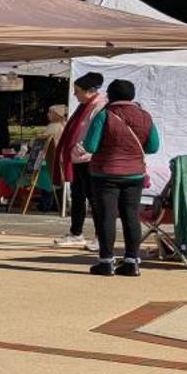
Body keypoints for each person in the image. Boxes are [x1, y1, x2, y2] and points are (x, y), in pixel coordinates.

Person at [81, 78, 160, 277]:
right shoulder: (145, 116)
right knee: (131, 216)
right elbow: (153, 147)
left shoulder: (105, 115)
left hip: (105, 173)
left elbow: (90, 146)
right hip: (134, 174)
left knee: (107, 216)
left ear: (110, 95)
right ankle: (132, 262)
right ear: (132, 96)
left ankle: (106, 262)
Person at [51, 72, 106, 250]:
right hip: (77, 159)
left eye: (77, 91)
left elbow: (95, 133)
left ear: (88, 91)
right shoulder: (84, 105)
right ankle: (76, 233)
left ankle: (101, 236)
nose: (75, 94)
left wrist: (78, 149)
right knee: (77, 197)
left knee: (95, 199)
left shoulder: (99, 106)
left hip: (88, 158)